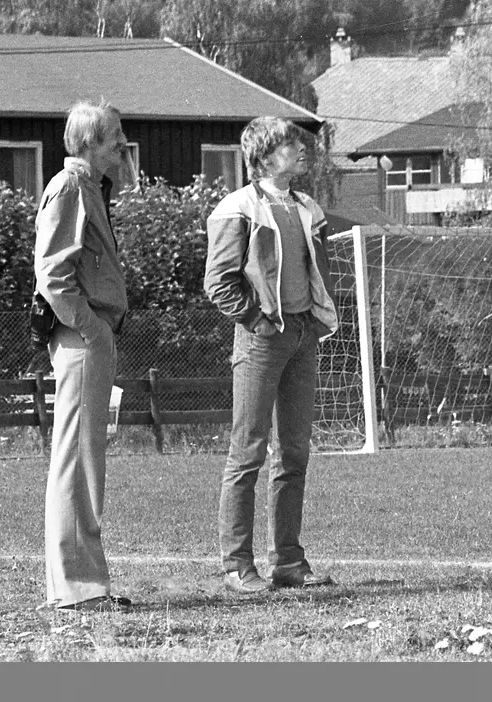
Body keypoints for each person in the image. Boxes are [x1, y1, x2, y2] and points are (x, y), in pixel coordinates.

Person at [203, 116, 340, 594]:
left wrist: (313, 321)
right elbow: (218, 281)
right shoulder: (235, 208)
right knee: (248, 453)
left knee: (295, 453)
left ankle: (288, 561)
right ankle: (238, 566)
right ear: (263, 157)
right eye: (287, 145)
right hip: (261, 340)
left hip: (304, 338)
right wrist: (257, 320)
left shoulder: (308, 207)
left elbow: (316, 273)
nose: (300, 151)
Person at [34, 101, 131, 611]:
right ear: (89, 142)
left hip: (90, 337)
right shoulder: (70, 187)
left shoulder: (90, 187)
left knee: (84, 460)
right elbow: (53, 274)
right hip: (81, 338)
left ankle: (82, 584)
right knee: (76, 461)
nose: (122, 144)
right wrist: (93, 330)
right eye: (114, 136)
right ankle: (78, 589)